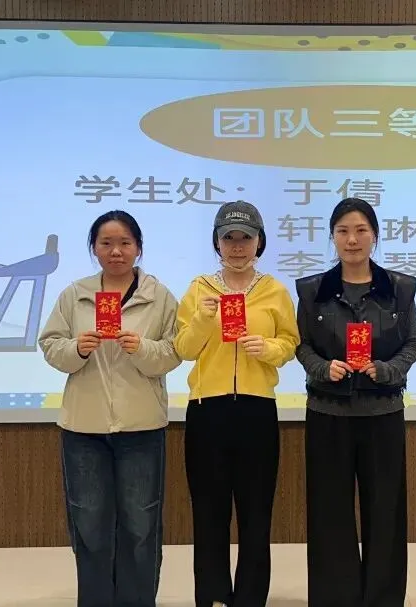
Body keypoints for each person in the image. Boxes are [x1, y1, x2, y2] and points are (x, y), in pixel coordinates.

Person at [38, 210, 182, 607]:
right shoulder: (75, 294)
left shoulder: (159, 296)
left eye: (124, 243)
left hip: (141, 427)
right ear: (94, 248)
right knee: (88, 523)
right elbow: (50, 345)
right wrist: (77, 349)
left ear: (138, 248)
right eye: (106, 243)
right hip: (83, 429)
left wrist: (143, 348)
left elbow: (174, 352)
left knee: (141, 524)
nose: (116, 251)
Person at [294, 197, 416, 607]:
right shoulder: (312, 290)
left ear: (375, 236)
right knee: (329, 512)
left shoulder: (398, 288)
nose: (352, 239)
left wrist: (387, 370)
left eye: (361, 230)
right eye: (343, 231)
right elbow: (302, 345)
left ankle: (382, 598)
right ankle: (336, 597)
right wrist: (321, 368)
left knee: (385, 512)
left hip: (382, 413)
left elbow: (412, 343)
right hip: (327, 413)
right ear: (332, 237)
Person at [173, 200, 301, 607]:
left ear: (260, 241)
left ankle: (249, 598)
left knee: (256, 512)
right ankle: (212, 595)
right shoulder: (199, 289)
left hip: (256, 409)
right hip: (207, 410)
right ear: (217, 243)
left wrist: (269, 348)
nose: (237, 246)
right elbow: (184, 348)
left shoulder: (275, 290)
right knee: (208, 512)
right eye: (229, 237)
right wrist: (202, 319)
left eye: (246, 237)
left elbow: (291, 343)